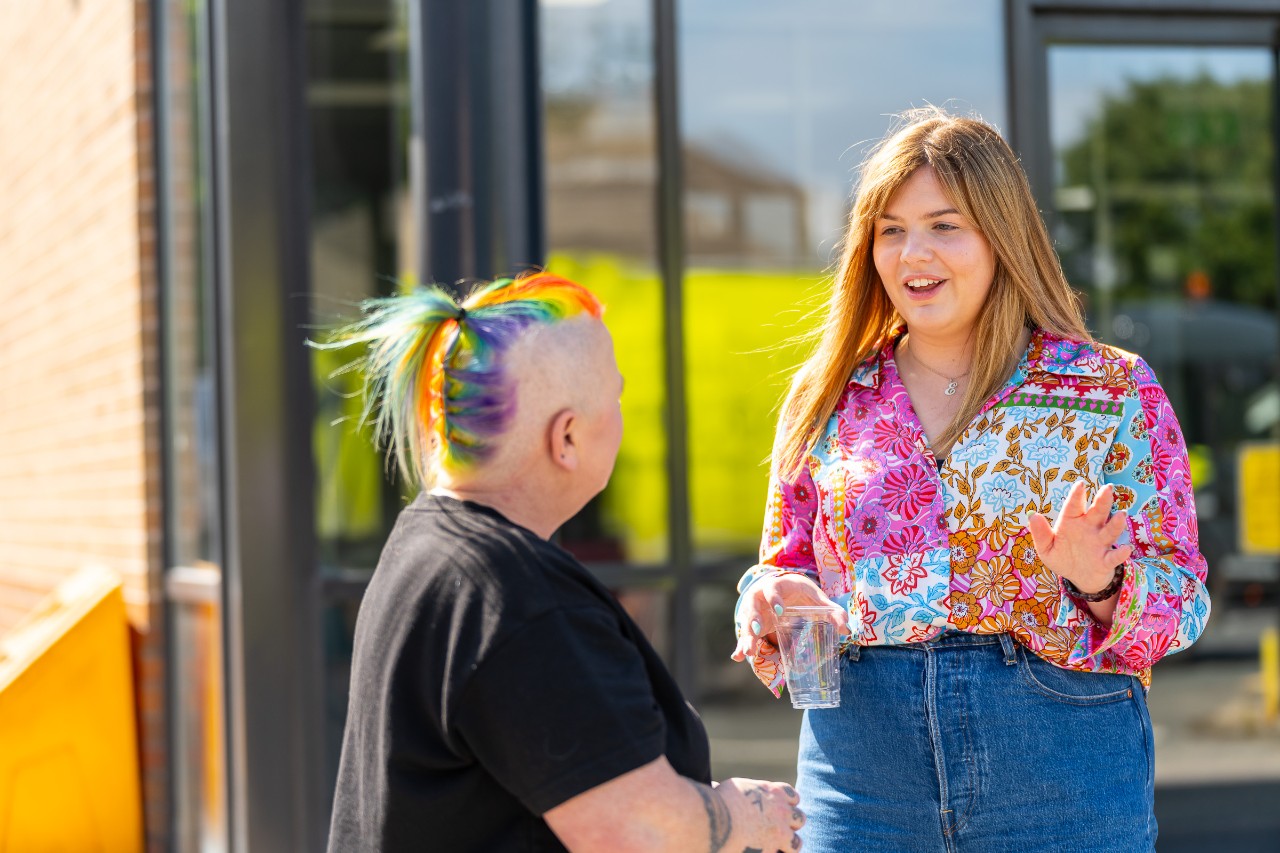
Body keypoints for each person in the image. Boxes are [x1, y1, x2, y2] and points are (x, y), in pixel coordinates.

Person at [731, 108, 1210, 852]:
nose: (912, 253)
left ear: (1001, 235)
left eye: (943, 225)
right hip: (861, 769)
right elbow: (787, 569)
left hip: (1060, 764)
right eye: (890, 229)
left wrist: (1103, 585)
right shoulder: (826, 395)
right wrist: (765, 600)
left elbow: (1184, 597)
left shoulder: (1110, 390)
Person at [320, 271, 805, 852]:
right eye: (615, 399)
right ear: (567, 438)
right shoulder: (518, 597)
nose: (621, 420)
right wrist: (744, 815)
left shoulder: (427, 544)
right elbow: (637, 833)